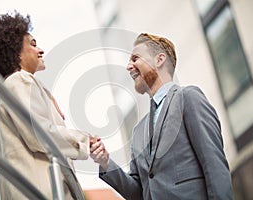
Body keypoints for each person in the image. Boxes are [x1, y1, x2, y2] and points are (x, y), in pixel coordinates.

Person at [90, 33, 233, 199]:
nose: (128, 66)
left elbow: (214, 166)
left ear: (159, 60)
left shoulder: (188, 98)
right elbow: (138, 192)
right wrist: (105, 163)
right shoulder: (138, 131)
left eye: (135, 58)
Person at [0, 12, 91, 200]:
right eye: (33, 44)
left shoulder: (13, 87)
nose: (41, 50)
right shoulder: (19, 80)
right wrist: (84, 140)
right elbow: (39, 133)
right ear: (15, 52)